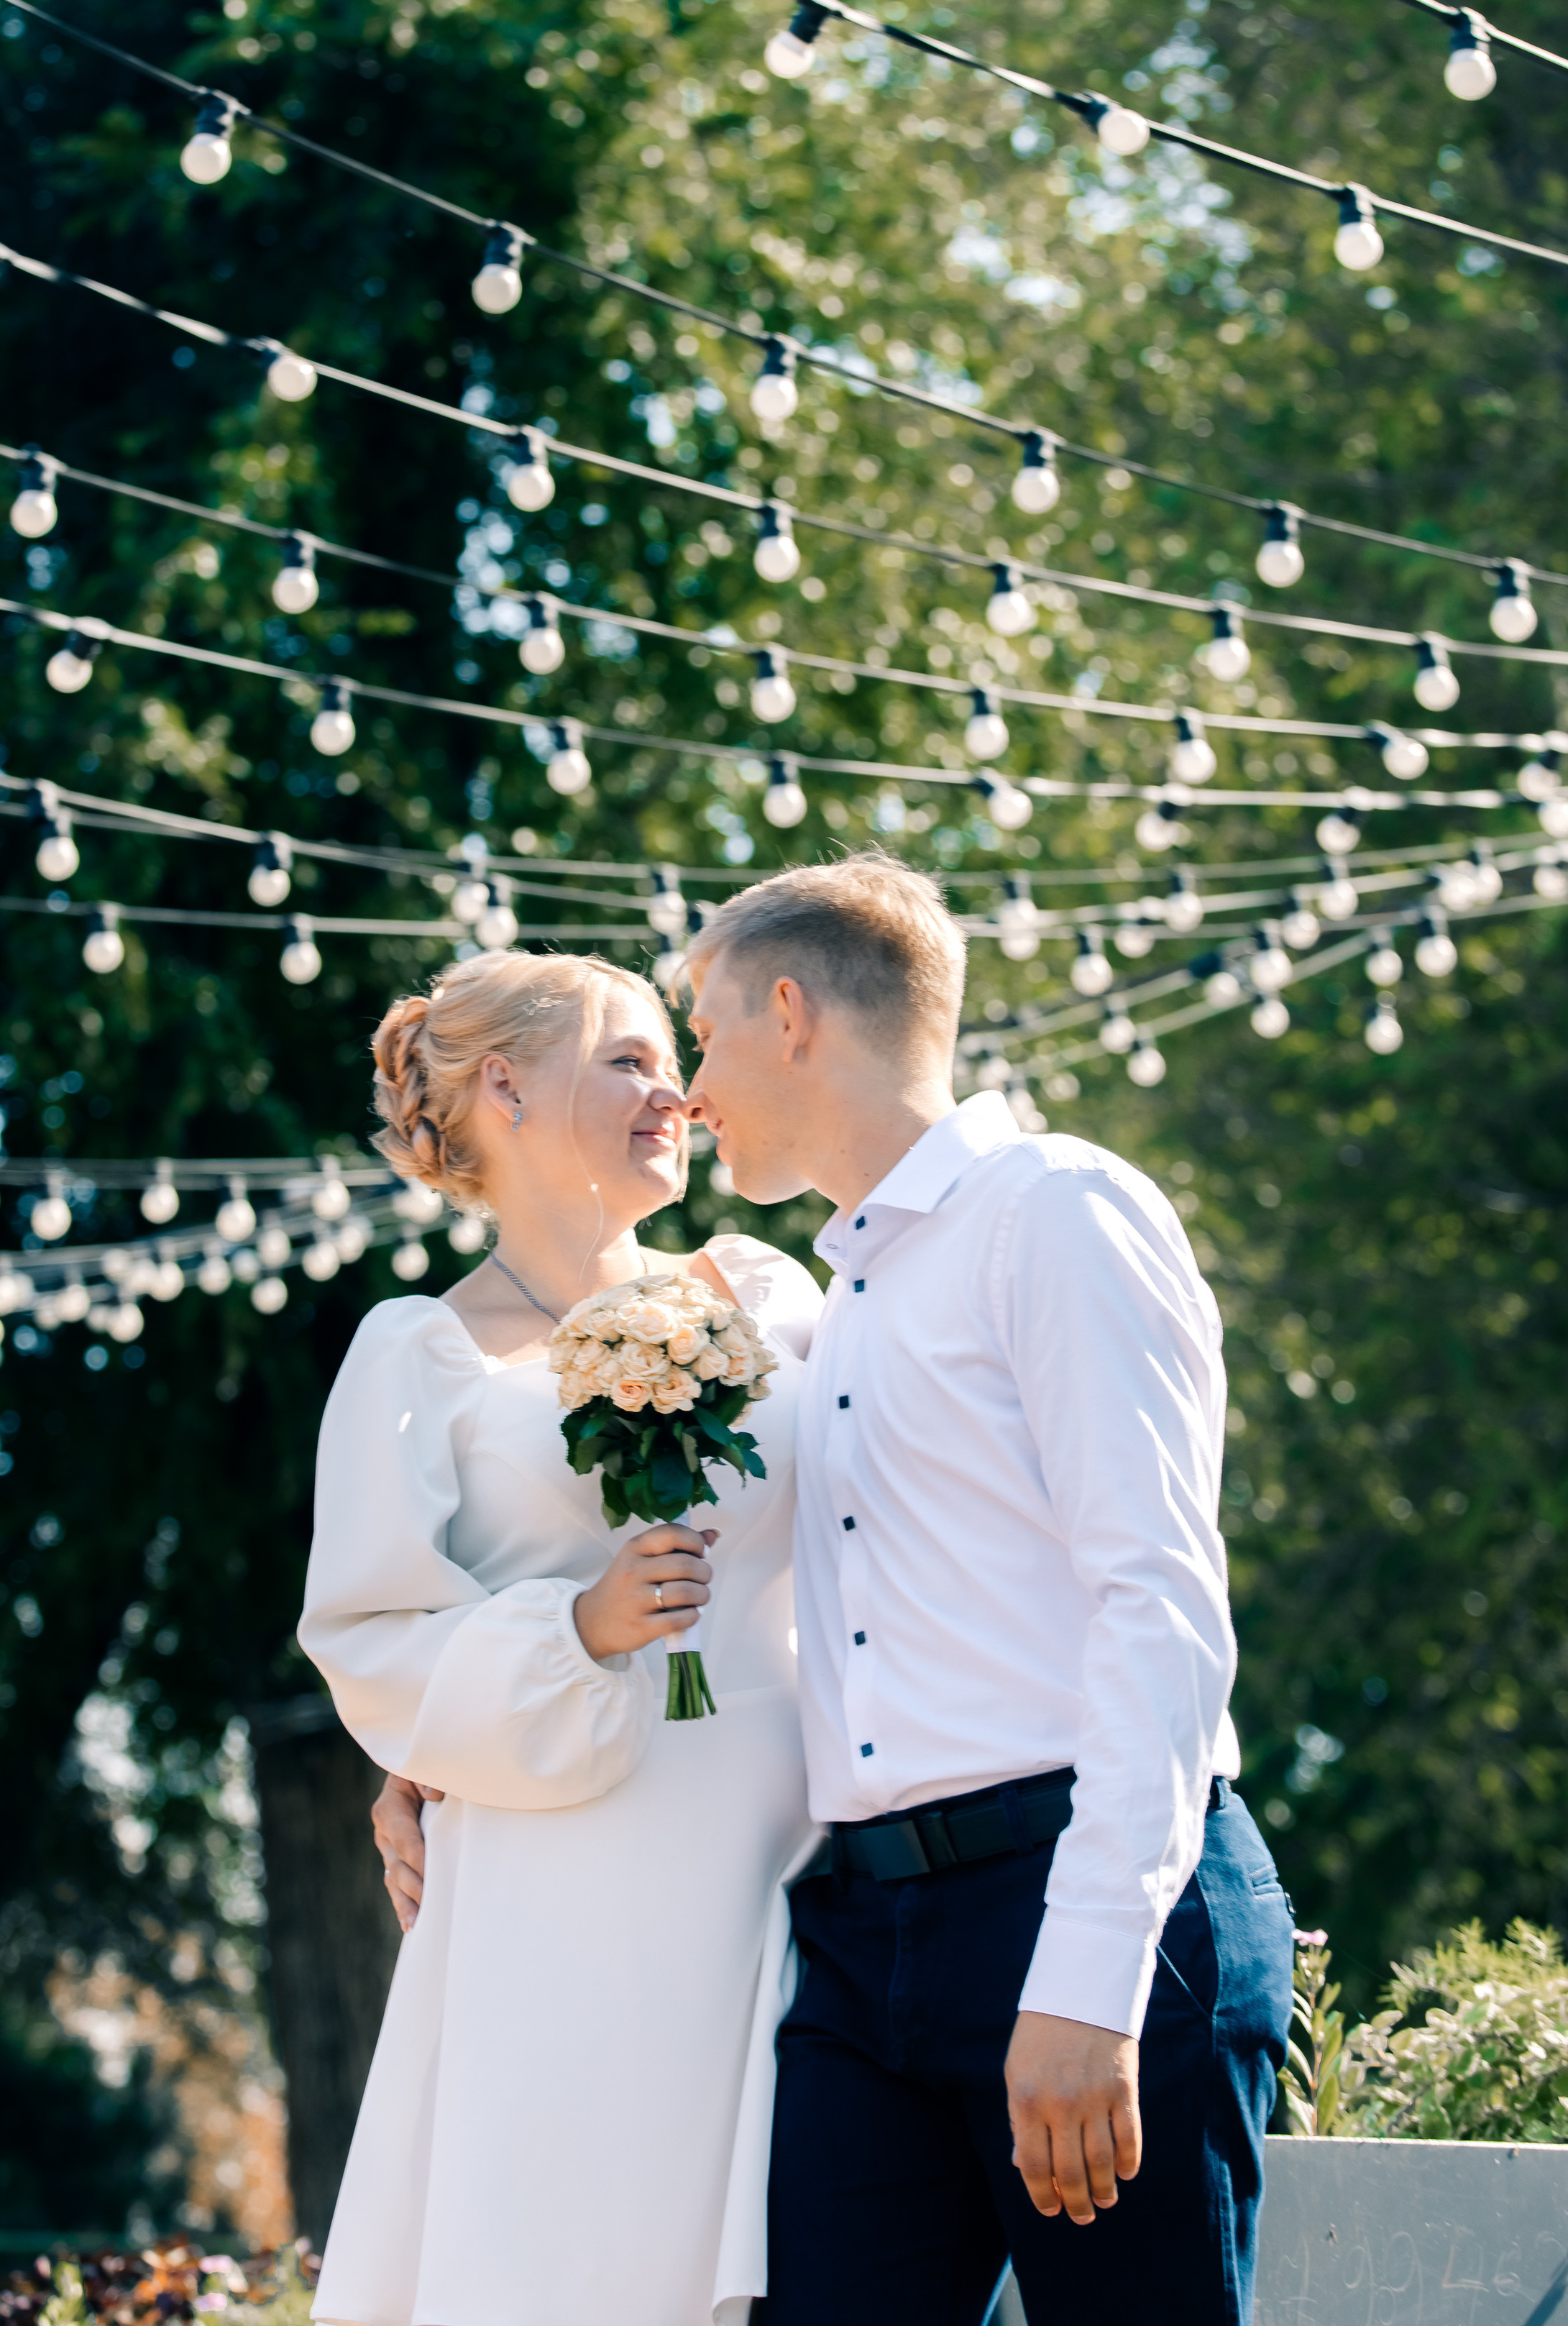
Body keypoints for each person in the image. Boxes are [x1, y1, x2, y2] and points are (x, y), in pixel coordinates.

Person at [382, 854, 1292, 2326]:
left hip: (1073, 1900)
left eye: (704, 1032)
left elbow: (1159, 1607)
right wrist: (439, 1760)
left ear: (788, 1013)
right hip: (857, 1952)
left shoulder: (1048, 1210)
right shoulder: (828, 1304)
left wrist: (1084, 1975)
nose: (688, 1087)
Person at [297, 949, 823, 2326]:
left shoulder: (768, 1297)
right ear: (507, 1087)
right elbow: (371, 1638)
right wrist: (570, 1637)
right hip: (565, 1889)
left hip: (807, 1861)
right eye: (632, 1060)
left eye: (670, 1059)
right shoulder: (422, 1358)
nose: (679, 1094)